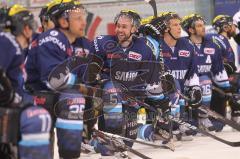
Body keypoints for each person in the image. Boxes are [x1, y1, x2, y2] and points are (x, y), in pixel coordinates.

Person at [25, 0, 95, 158]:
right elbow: (54, 79)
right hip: (35, 95)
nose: (84, 22)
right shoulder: (53, 37)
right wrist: (83, 87)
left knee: (79, 96)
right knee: (73, 98)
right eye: (78, 18)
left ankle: (75, 146)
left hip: (51, 94)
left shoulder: (71, 41)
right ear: (64, 22)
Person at [90, 9, 158, 157]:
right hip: (108, 97)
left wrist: (138, 101)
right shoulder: (103, 42)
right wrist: (96, 77)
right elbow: (90, 72)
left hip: (130, 98)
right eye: (118, 26)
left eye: (124, 27)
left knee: (125, 144)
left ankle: (97, 142)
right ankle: (107, 138)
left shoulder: (145, 49)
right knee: (111, 91)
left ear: (134, 29)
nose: (119, 30)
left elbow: (148, 80)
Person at [137, 12, 203, 142]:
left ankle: (177, 124)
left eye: (179, 24)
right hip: (150, 99)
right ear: (166, 28)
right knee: (139, 126)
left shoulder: (188, 45)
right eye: (175, 25)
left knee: (179, 87)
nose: (179, 28)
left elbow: (192, 74)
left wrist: (195, 88)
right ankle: (164, 126)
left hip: (176, 99)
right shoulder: (153, 45)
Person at [0, 4, 52, 159]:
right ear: (26, 28)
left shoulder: (16, 46)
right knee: (38, 118)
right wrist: (8, 95)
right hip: (6, 107)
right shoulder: (7, 41)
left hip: (12, 105)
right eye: (32, 26)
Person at [181, 14, 230, 131]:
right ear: (191, 30)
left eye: (203, 25)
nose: (203, 28)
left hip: (205, 86)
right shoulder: (182, 44)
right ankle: (184, 120)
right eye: (199, 26)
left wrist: (227, 88)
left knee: (205, 80)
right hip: (186, 86)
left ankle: (203, 118)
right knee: (204, 80)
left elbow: (218, 69)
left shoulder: (212, 45)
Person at [207, 15, 240, 125]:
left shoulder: (222, 40)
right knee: (234, 82)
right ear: (226, 27)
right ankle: (236, 114)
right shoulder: (218, 39)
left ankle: (235, 113)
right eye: (233, 26)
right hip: (216, 80)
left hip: (218, 78)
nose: (235, 28)